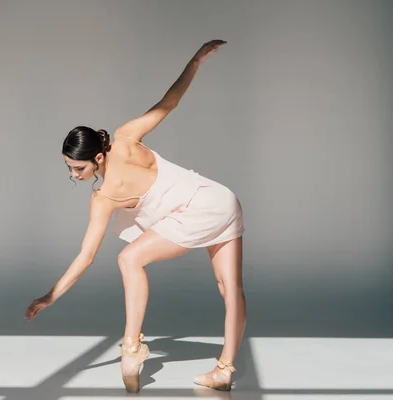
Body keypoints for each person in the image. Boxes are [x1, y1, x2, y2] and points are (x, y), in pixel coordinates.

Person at [25, 39, 246, 393]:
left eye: (77, 168)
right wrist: (195, 61)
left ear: (97, 158)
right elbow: (170, 101)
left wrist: (51, 295)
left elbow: (86, 256)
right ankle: (225, 369)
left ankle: (131, 347)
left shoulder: (104, 196)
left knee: (130, 259)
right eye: (68, 168)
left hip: (196, 211)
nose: (73, 175)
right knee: (229, 288)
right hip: (221, 199)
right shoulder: (126, 136)